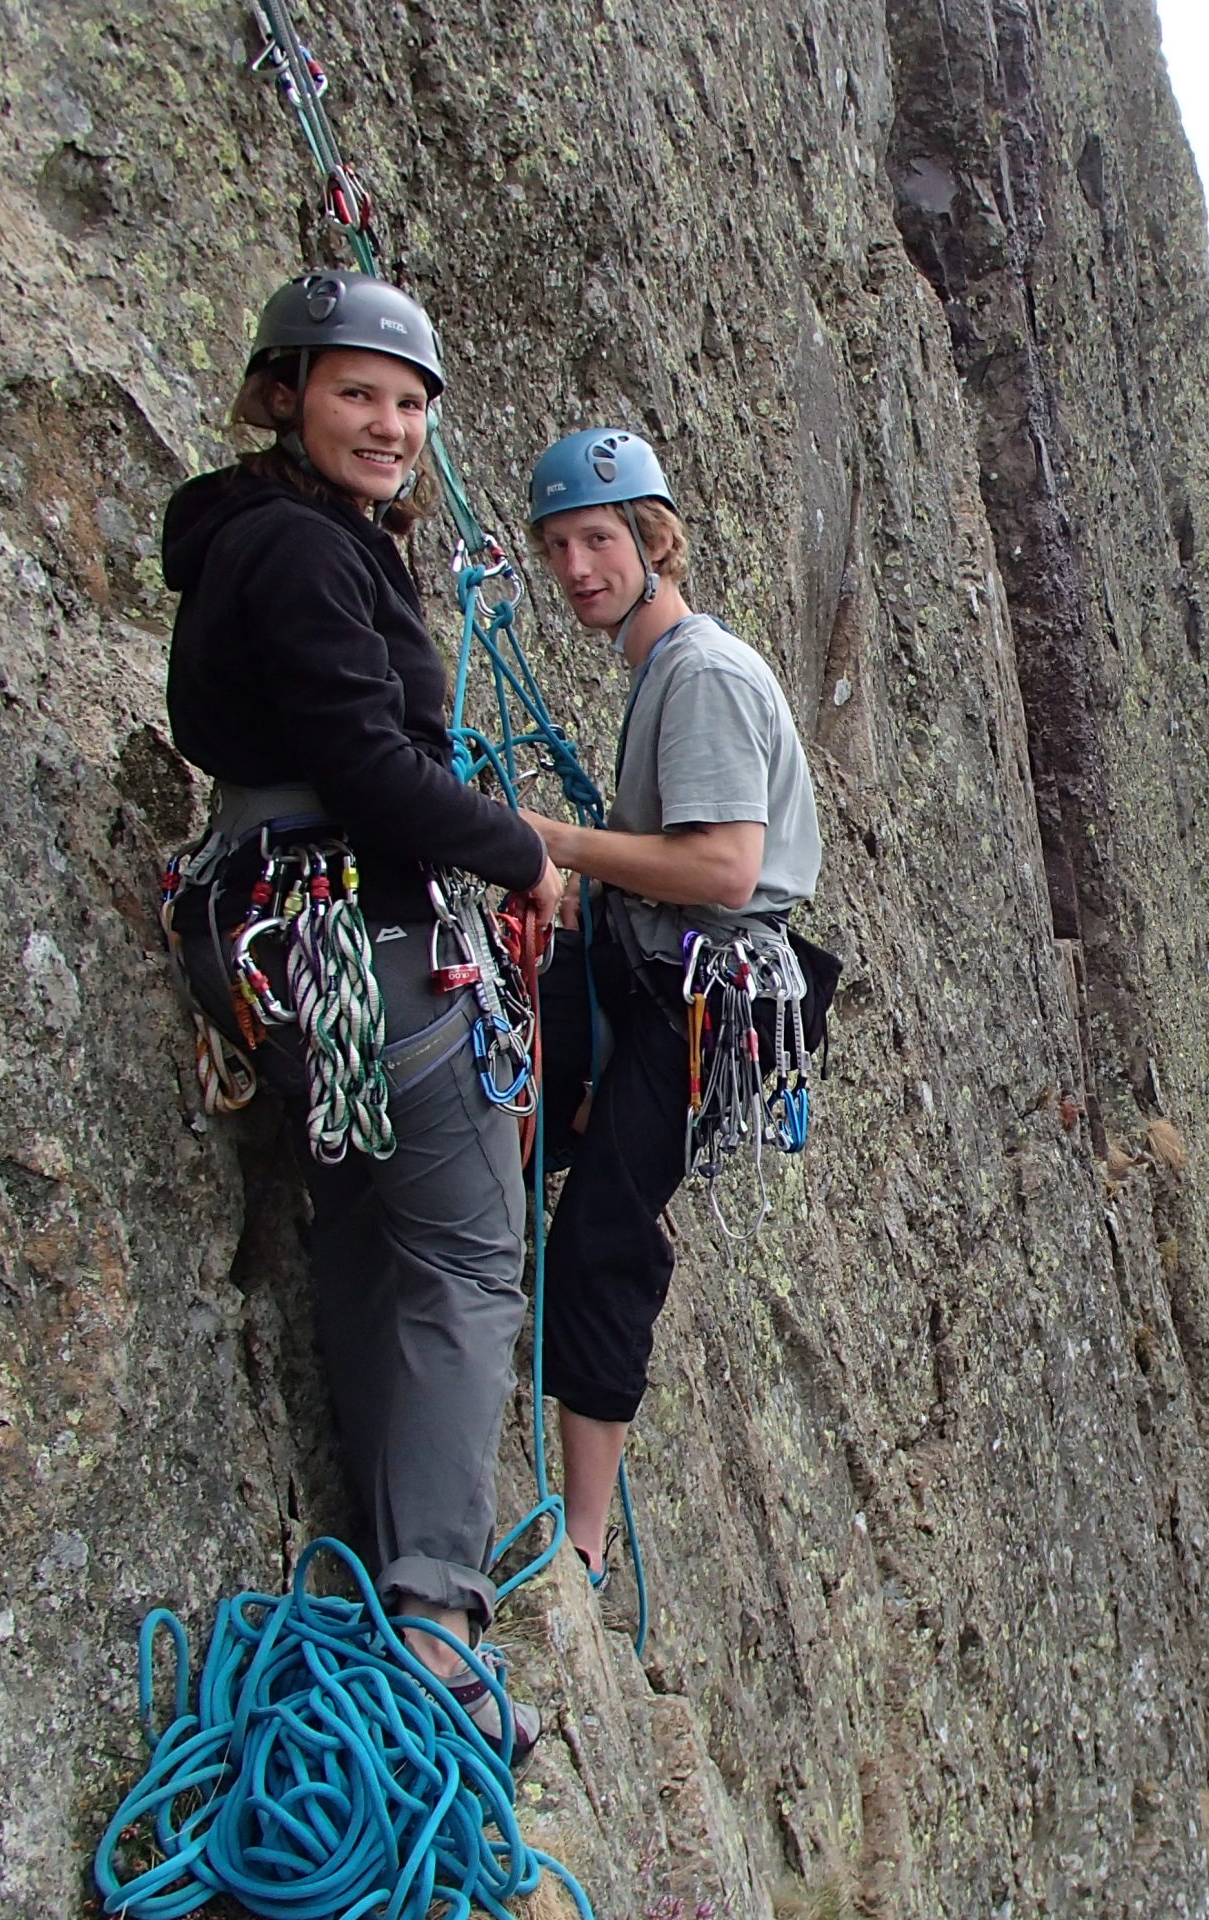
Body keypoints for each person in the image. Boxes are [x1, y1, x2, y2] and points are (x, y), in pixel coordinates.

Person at [160, 270, 558, 1755]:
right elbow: (376, 772)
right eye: (356, 395)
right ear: (285, 396)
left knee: (361, 1231)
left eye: (408, 403)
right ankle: (438, 1626)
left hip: (277, 935)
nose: (389, 425)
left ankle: (379, 1551)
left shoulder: (252, 539)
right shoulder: (310, 556)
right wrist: (519, 853)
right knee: (465, 1252)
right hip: (354, 937)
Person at [521, 428, 823, 1584]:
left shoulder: (697, 673)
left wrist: (544, 839)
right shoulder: (663, 666)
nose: (577, 568)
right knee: (499, 1089)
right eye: (557, 548)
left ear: (653, 541)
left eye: (599, 540)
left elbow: (722, 870)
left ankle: (584, 1545)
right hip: (645, 967)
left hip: (699, 995)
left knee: (600, 1231)